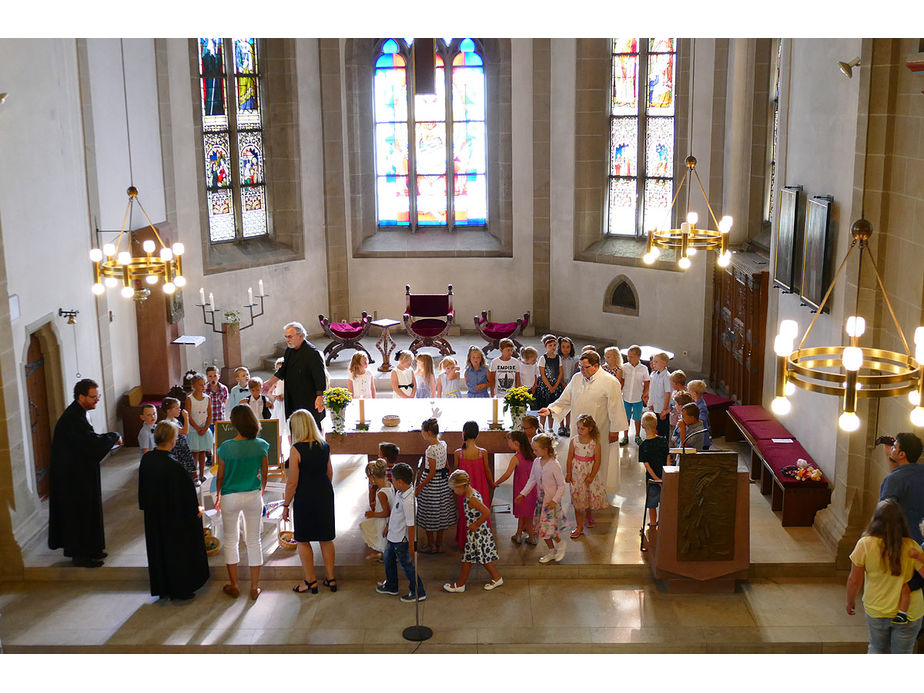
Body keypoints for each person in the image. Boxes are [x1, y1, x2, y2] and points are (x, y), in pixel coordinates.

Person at [47, 378, 121, 567]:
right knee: (79, 513)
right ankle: (81, 554)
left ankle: (93, 548)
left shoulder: (79, 413)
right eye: (93, 397)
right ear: (81, 397)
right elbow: (89, 443)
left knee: (89, 510)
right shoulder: (72, 419)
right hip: (72, 479)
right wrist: (113, 436)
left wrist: (107, 439)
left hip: (81, 473)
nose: (97, 400)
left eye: (98, 396)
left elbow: (88, 441)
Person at [538, 350, 628, 493]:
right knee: (579, 460)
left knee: (599, 460)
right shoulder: (576, 378)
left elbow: (616, 407)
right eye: (580, 366)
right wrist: (550, 410)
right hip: (578, 430)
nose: (581, 370)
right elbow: (565, 399)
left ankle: (598, 491)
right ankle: (579, 488)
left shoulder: (610, 382)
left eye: (585, 367)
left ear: (596, 366)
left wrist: (615, 430)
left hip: (600, 430)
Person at [138, 421, 209, 600]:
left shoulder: (147, 460)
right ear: (171, 440)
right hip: (174, 519)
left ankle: (163, 587)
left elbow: (143, 491)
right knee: (177, 553)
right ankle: (181, 588)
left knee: (159, 552)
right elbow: (187, 496)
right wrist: (197, 510)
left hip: (154, 517)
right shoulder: (175, 467)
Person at [846, 499, 924, 653]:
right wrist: (920, 558)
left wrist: (850, 601)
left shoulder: (865, 545)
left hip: (878, 608)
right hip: (909, 612)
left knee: (877, 649)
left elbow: (854, 580)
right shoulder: (911, 546)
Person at [215, 404, 269, 600]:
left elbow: (220, 477)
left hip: (230, 496)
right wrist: (260, 491)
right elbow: (265, 474)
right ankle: (255, 587)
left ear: (234, 423)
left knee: (231, 540)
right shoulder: (261, 445)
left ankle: (234, 584)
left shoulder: (226, 448)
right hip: (253, 495)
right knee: (254, 540)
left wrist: (219, 496)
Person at [283, 409, 337, 594]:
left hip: (305, 496)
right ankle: (331, 579)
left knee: (303, 539)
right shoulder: (324, 445)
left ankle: (311, 581)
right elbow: (330, 473)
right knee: (326, 537)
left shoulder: (296, 449)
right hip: (324, 494)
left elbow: (292, 482)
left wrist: (285, 504)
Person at [443, 470, 503, 592]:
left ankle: (460, 585)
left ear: (462, 486)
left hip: (478, 533)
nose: (454, 492)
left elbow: (486, 512)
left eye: (455, 489)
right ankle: (496, 578)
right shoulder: (470, 494)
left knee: (472, 559)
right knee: (477, 558)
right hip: (476, 532)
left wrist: (475, 524)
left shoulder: (472, 499)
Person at [375, 462, 426, 602]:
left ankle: (418, 591)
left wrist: (411, 546)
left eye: (393, 480)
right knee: (388, 560)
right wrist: (388, 527)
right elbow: (395, 513)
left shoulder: (409, 501)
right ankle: (392, 586)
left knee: (407, 566)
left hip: (401, 541)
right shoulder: (400, 492)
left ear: (400, 482)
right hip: (392, 535)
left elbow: (411, 525)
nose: (391, 482)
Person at [261, 321, 327, 428]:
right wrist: (269, 383)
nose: (287, 340)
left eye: (290, 337)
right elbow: (283, 370)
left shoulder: (312, 353)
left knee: (311, 429)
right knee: (295, 429)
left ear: (300, 336)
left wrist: (320, 397)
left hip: (309, 399)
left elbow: (320, 377)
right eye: (286, 336)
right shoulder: (289, 350)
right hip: (293, 397)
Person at [517, 433, 568, 563]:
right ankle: (551, 551)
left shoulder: (554, 465)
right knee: (543, 529)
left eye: (536, 449)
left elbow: (561, 485)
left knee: (548, 528)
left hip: (551, 502)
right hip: (541, 501)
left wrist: (554, 500)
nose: (533, 452)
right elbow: (532, 479)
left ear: (545, 449)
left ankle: (560, 544)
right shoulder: (536, 462)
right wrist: (523, 493)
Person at [416, 418, 457, 553]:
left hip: (432, 484)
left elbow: (431, 472)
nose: (421, 433)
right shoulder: (443, 444)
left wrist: (420, 487)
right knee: (441, 512)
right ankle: (439, 544)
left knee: (430, 513)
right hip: (443, 481)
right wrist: (449, 473)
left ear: (427, 432)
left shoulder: (430, 449)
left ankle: (431, 545)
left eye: (422, 431)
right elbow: (445, 462)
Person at [453, 421, 493, 548]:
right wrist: (492, 483)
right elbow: (487, 470)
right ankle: (483, 540)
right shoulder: (483, 452)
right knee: (481, 512)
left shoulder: (458, 453)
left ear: (463, 433)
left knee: (465, 513)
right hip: (480, 487)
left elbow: (455, 472)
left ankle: (465, 541)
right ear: (477, 434)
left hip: (463, 489)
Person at [878, 432, 924, 544]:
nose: (892, 448)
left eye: (894, 447)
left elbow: (885, 512)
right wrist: (891, 456)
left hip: (903, 540)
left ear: (902, 454)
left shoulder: (893, 479)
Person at [567, 414, 607, 538]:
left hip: (589, 474)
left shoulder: (595, 443)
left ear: (590, 428)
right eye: (578, 428)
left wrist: (592, 475)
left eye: (582, 428)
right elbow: (569, 458)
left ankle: (588, 515)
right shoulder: (574, 441)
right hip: (577, 474)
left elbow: (598, 461)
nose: (579, 431)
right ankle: (579, 527)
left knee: (588, 495)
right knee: (578, 499)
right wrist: (568, 473)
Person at [494, 430, 538, 545]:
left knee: (526, 515)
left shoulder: (516, 458)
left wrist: (496, 482)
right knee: (527, 513)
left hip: (521, 489)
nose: (508, 443)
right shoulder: (533, 455)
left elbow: (507, 474)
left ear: (516, 443)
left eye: (509, 440)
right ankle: (519, 533)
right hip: (532, 489)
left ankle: (532, 535)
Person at [638, 411, 669, 532]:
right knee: (665, 501)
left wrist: (656, 479)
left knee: (652, 503)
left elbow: (647, 465)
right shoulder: (663, 441)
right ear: (656, 425)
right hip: (665, 476)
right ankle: (664, 522)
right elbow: (668, 460)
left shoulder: (643, 446)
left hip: (651, 480)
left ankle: (652, 524)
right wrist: (665, 476)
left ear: (642, 426)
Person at [359, 459, 393, 562]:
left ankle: (385, 557)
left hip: (383, 521)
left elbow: (387, 512)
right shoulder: (389, 484)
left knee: (380, 539)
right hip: (387, 521)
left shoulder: (381, 493)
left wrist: (372, 514)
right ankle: (382, 555)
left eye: (368, 477)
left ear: (373, 477)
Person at [184, 373, 213, 484]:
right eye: (200, 385)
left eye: (204, 384)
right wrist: (196, 428)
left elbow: (209, 414)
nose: (203, 386)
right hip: (193, 429)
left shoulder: (207, 398)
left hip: (204, 429)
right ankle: (194, 475)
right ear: (194, 386)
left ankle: (202, 474)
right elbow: (188, 415)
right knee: (194, 453)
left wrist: (205, 427)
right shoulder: (189, 399)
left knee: (203, 452)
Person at [619, 345, 650, 445]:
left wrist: (645, 393)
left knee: (637, 418)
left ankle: (637, 435)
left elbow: (647, 382)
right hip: (626, 397)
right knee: (625, 418)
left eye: (631, 356)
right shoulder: (625, 367)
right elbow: (622, 381)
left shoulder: (643, 368)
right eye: (628, 356)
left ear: (638, 357)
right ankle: (625, 436)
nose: (629, 358)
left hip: (637, 398)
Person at [162, 396, 197, 482]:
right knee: (180, 469)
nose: (180, 410)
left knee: (187, 468)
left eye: (179, 407)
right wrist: (186, 417)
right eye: (177, 408)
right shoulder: (169, 423)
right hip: (177, 450)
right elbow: (185, 431)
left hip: (183, 448)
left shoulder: (175, 420)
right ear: (168, 411)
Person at [535, 334, 564, 431]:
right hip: (545, 387)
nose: (553, 347)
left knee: (551, 409)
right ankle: (541, 427)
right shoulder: (543, 358)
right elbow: (542, 375)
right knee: (544, 408)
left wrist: (555, 386)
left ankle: (551, 428)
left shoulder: (558, 358)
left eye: (554, 345)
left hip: (555, 385)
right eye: (550, 345)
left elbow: (560, 373)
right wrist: (550, 387)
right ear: (545, 347)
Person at [648, 352, 673, 438]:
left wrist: (664, 410)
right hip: (655, 406)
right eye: (653, 362)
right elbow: (652, 391)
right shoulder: (654, 374)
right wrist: (651, 404)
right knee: (657, 429)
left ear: (664, 363)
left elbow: (668, 394)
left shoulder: (667, 376)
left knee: (664, 430)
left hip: (662, 408)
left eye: (656, 362)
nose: (653, 364)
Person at [556, 336, 578, 435]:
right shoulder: (558, 358)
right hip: (560, 384)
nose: (565, 349)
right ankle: (561, 426)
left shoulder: (574, 359)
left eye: (567, 347)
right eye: (563, 347)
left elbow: (575, 372)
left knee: (569, 406)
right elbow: (557, 372)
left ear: (571, 348)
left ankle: (568, 426)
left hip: (570, 384)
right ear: (560, 348)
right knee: (561, 406)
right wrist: (562, 383)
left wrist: (570, 384)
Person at [686, 380, 712, 450]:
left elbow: (701, 421)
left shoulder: (701, 406)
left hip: (702, 439)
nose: (687, 392)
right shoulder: (695, 402)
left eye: (688, 390)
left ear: (694, 393)